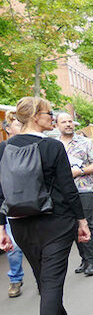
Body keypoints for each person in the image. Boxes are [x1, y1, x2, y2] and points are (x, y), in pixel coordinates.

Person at [0, 96, 90, 315]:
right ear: (36, 115)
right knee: (51, 280)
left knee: (43, 275)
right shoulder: (52, 147)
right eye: (50, 113)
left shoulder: (4, 149)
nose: (53, 117)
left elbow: (0, 191)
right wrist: (81, 221)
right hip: (56, 220)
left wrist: (2, 227)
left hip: (20, 222)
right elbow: (67, 188)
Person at [56, 113, 93, 276]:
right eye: (64, 122)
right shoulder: (54, 145)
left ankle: (92, 261)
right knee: (73, 226)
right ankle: (84, 258)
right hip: (63, 192)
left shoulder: (86, 142)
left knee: (85, 223)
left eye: (70, 121)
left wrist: (80, 171)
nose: (68, 124)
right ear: (57, 125)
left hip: (84, 189)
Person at [2, 111, 25, 297]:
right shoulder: (3, 149)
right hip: (11, 205)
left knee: (37, 245)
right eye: (18, 124)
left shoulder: (33, 145)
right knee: (14, 245)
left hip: (34, 203)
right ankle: (15, 279)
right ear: (8, 129)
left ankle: (42, 278)